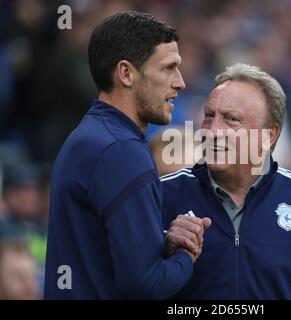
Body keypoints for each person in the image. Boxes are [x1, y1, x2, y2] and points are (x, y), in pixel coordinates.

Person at [161, 63, 291, 299]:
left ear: (269, 135)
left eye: (232, 119)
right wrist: (163, 248)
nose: (213, 130)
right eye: (209, 116)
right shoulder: (161, 195)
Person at [44, 11, 210, 299]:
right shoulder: (122, 151)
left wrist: (161, 243)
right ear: (126, 73)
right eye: (168, 68)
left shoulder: (89, 136)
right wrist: (186, 253)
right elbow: (146, 285)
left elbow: (103, 256)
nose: (180, 82)